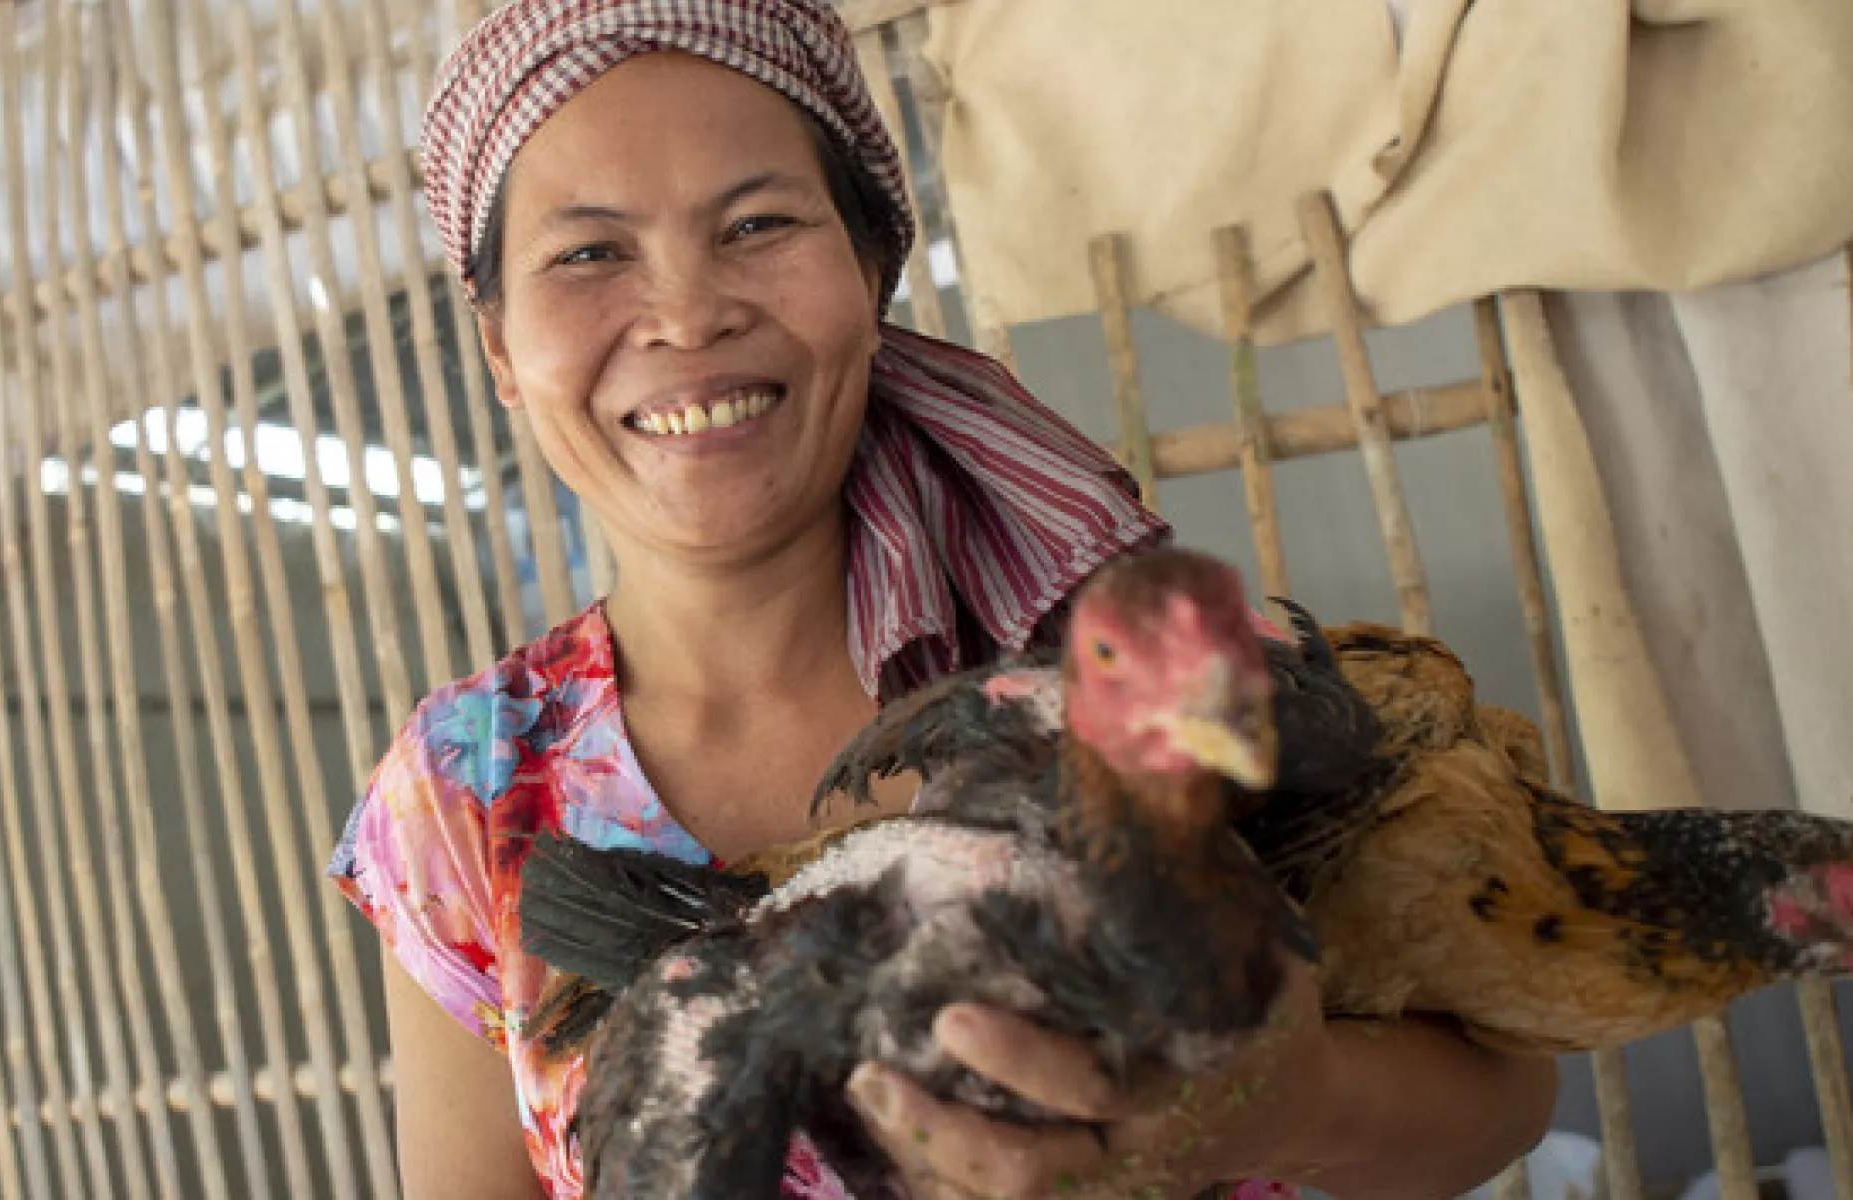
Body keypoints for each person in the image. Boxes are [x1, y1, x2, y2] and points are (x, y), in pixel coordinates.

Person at [324, 1, 1560, 1195]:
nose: (690, 312)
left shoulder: (1122, 665)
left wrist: (1286, 1103)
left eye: (758, 225)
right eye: (587, 252)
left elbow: (1502, 1099)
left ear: (872, 272)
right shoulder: (466, 794)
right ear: (497, 346)